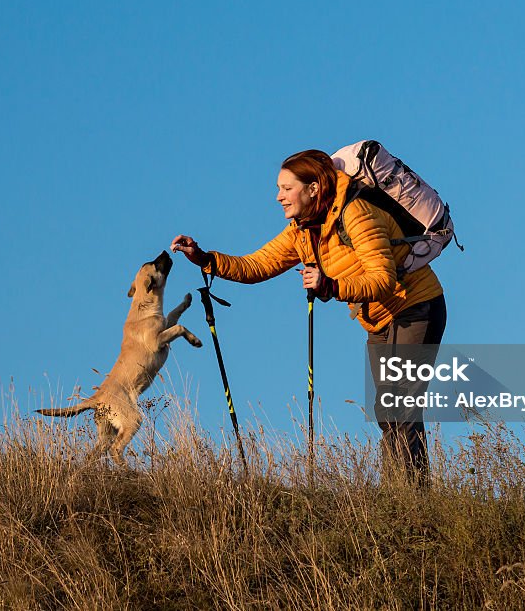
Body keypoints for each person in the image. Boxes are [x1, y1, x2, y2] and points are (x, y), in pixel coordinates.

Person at [171, 149, 446, 483]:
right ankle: (402, 491)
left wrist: (331, 286)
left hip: (416, 306)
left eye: (287, 188)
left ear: (313, 188)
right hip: (378, 319)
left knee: (398, 405)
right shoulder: (303, 230)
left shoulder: (356, 214)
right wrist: (203, 258)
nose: (279, 197)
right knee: (387, 410)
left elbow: (383, 279)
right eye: (279, 188)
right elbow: (259, 264)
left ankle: (414, 495)